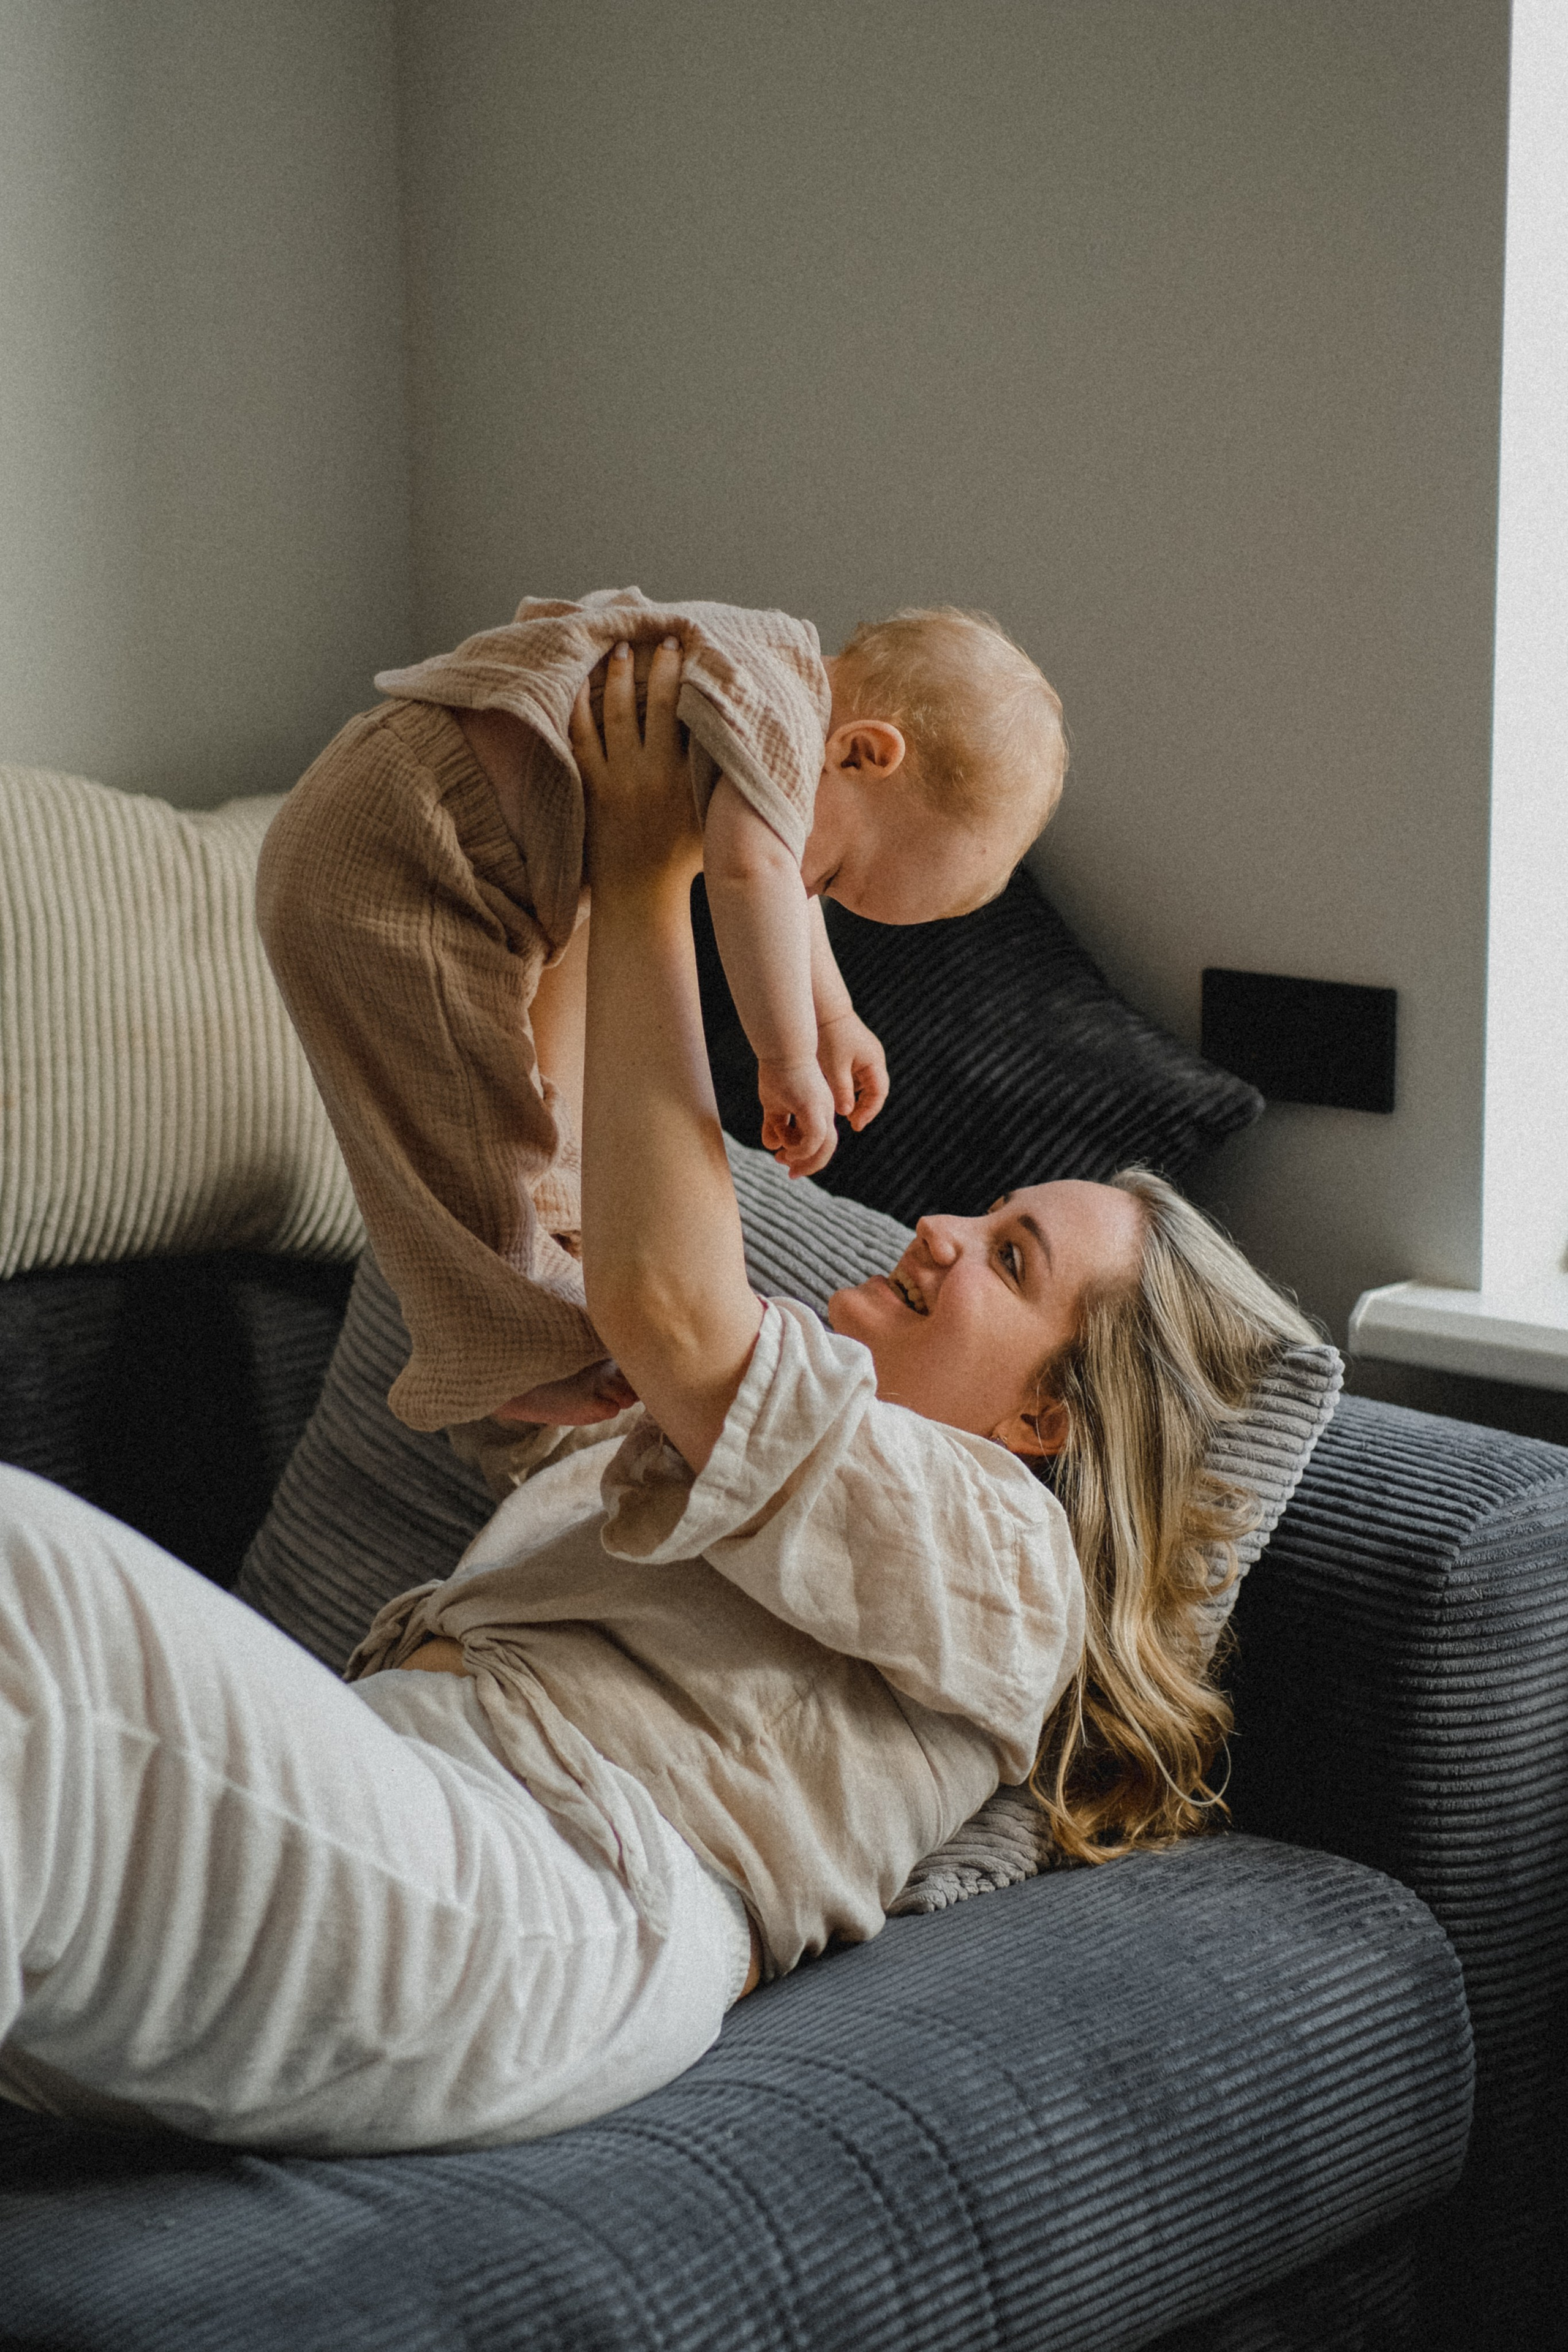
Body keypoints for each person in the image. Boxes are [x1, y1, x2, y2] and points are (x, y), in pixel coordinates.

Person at [0, 643, 1315, 2156]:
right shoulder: (713, 1448)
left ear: (1048, 1421)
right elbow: (560, 1217)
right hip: (399, 1817)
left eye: (1006, 1258)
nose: (935, 1230)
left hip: (556, 1902)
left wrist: (648, 889)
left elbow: (672, 1308)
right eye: (980, 1214)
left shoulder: (1002, 1557)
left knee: (34, 1572)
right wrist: (586, 854)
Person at [255, 591, 1068, 1490]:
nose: (814, 893)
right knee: (471, 1130)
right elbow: (757, 868)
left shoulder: (774, 694)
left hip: (404, 843)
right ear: (864, 751)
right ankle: (507, 1353)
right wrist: (787, 1056)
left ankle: (529, 1320)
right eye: (840, 877)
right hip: (406, 863)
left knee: (524, 1120)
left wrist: (834, 1018)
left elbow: (784, 875)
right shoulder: (770, 715)